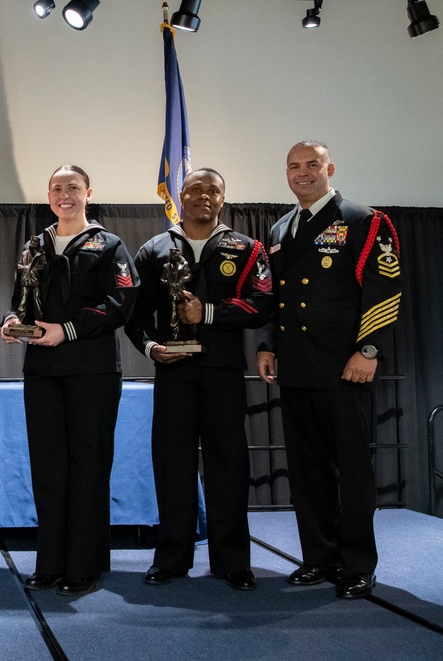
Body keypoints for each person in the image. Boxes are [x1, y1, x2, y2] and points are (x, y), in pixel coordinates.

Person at [257, 141, 402, 599]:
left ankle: (358, 564)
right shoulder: (280, 228)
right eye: (294, 166)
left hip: (345, 368)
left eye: (312, 165)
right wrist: (268, 345)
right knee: (307, 471)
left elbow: (385, 288)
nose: (302, 173)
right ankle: (318, 557)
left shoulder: (363, 220)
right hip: (297, 368)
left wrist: (370, 349)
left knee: (354, 471)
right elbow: (276, 297)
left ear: (329, 168)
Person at [125, 168, 273, 591]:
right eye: (194, 189)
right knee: (172, 464)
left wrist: (207, 313)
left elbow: (262, 304)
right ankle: (172, 557)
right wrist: (152, 348)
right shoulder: (154, 249)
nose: (203, 196)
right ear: (181, 196)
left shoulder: (246, 248)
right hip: (173, 374)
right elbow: (135, 317)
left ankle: (232, 562)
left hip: (224, 372)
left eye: (213, 190)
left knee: (229, 465)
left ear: (223, 200)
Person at [1, 165, 138, 596]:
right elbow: (20, 300)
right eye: (57, 189)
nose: (65, 195)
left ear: (88, 193)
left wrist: (68, 329)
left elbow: (122, 301)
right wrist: (11, 322)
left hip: (91, 371)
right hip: (42, 372)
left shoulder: (109, 245)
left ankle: (84, 565)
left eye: (73, 188)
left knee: (88, 465)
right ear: (48, 196)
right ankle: (50, 563)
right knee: (48, 466)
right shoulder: (34, 245)